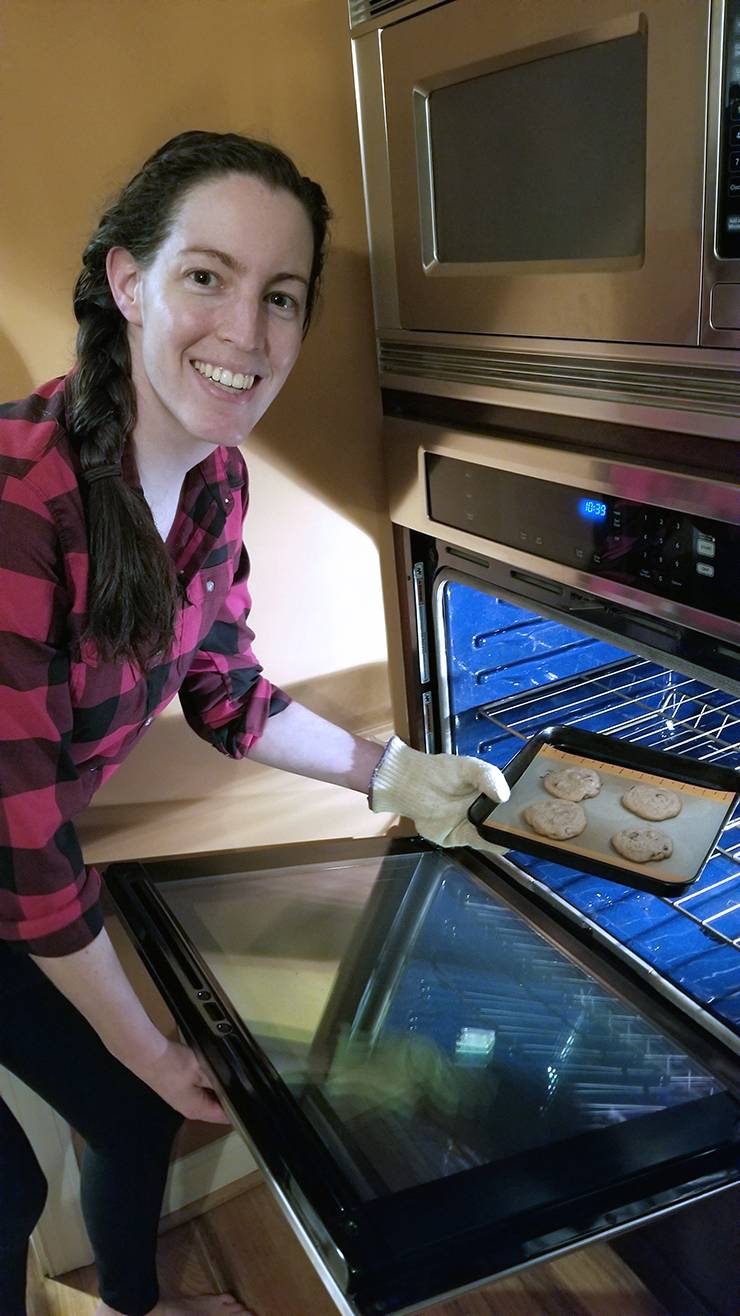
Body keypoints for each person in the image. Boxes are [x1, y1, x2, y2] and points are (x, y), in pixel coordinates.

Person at [0, 130, 508, 1316]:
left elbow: (224, 686)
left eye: (280, 296)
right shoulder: (21, 499)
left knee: (131, 1118)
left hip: (17, 878)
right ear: (127, 280)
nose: (246, 333)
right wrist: (142, 1034)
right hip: (17, 866)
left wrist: (388, 772)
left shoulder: (215, 477)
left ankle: (135, 1308)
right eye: (206, 276)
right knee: (5, 1186)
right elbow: (25, 843)